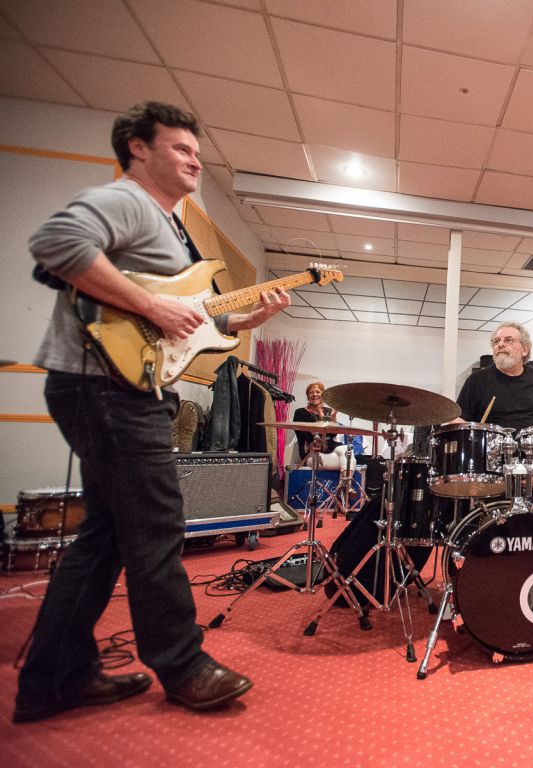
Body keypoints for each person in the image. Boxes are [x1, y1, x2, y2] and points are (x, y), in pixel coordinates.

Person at [16, 101, 290, 724]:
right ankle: (183, 664)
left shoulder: (171, 227)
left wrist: (245, 319)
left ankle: (55, 678)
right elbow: (55, 244)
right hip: (106, 386)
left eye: (197, 152)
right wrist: (152, 306)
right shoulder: (128, 201)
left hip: (121, 386)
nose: (195, 160)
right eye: (180, 148)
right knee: (158, 524)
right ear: (138, 148)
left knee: (108, 534)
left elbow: (188, 321)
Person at [452, 322, 533, 539]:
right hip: (495, 464)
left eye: (508, 340)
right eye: (496, 341)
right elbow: (459, 420)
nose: (500, 345)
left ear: (525, 349)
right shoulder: (477, 381)